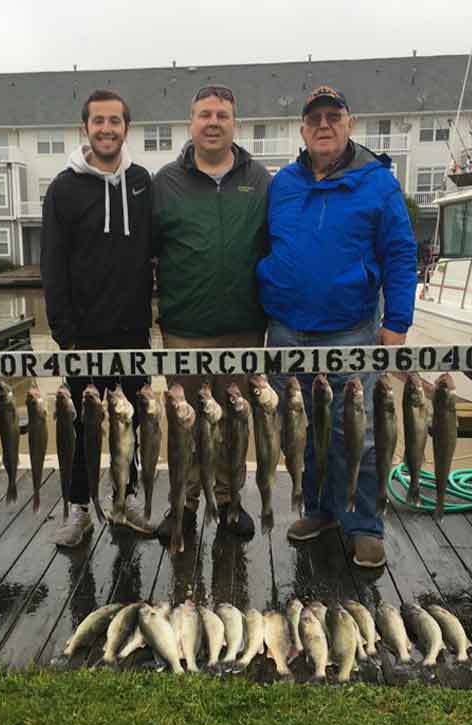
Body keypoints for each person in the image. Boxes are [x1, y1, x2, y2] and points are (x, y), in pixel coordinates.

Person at [257, 85, 417, 568]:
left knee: (357, 433)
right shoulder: (282, 183)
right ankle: (321, 509)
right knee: (301, 429)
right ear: (303, 131)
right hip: (285, 329)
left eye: (334, 116)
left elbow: (401, 253)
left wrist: (398, 322)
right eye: (315, 119)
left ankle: (363, 522)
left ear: (350, 124)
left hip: (350, 329)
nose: (324, 125)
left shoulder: (378, 183)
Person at [152, 85, 271, 542]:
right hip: (184, 329)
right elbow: (147, 254)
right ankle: (182, 504)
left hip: (243, 327)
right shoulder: (166, 183)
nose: (214, 122)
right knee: (186, 424)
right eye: (205, 114)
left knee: (234, 423)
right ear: (192, 122)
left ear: (234, 123)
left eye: (222, 114)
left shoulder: (259, 179)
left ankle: (228, 500)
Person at [42, 89, 155, 548]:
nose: (107, 128)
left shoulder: (143, 181)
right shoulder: (64, 188)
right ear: (85, 127)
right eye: (98, 121)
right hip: (82, 335)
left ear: (126, 127)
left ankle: (126, 500)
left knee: (132, 423)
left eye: (115, 121)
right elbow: (51, 263)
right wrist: (63, 333)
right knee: (80, 427)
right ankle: (79, 507)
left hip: (132, 331)